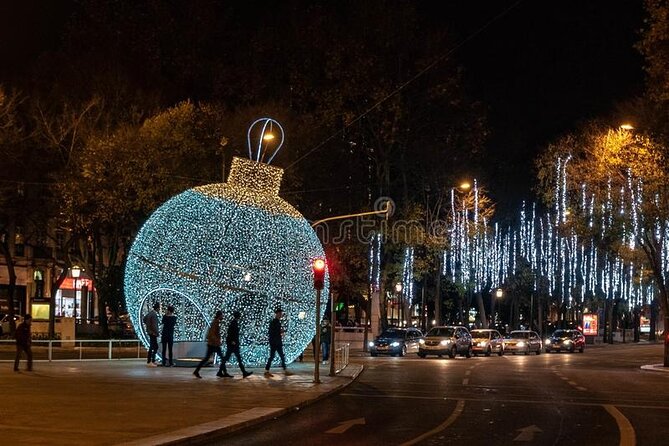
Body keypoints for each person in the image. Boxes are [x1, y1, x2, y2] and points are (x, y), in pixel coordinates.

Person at [193, 310, 226, 379]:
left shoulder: (216, 322)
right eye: (222, 315)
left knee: (208, 358)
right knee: (222, 358)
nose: (223, 316)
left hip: (213, 344)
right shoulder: (215, 323)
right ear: (219, 316)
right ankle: (221, 372)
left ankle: (197, 371)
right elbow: (212, 334)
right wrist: (217, 341)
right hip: (213, 344)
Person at [220, 311, 253, 378]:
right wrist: (232, 341)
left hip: (233, 344)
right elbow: (231, 333)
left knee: (232, 358)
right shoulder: (234, 323)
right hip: (233, 344)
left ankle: (244, 372)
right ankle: (244, 372)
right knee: (231, 358)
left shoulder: (234, 323)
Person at [264, 308, 290, 377]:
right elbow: (272, 332)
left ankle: (284, 370)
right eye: (280, 314)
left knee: (280, 356)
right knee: (273, 356)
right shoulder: (274, 322)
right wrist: (280, 331)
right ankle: (267, 371)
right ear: (277, 314)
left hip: (276, 342)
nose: (281, 315)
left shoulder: (277, 322)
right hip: (275, 342)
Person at [143, 302, 160, 367]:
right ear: (157, 308)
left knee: (153, 346)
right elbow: (154, 325)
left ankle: (152, 360)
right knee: (154, 347)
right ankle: (150, 361)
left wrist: (147, 325)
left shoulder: (150, 313)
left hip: (150, 332)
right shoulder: (154, 315)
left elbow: (144, 319)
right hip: (153, 333)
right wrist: (156, 332)